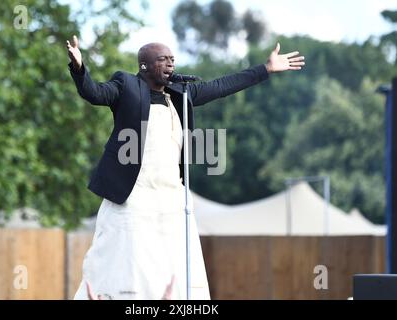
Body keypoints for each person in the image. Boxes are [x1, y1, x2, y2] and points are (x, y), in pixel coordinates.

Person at [66, 35, 305, 300]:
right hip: (134, 195)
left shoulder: (181, 93)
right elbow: (95, 92)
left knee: (173, 261)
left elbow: (221, 85)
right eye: (162, 60)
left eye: (172, 60)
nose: (170, 64)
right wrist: (79, 67)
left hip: (170, 196)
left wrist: (265, 69)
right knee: (128, 259)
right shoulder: (126, 84)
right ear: (144, 66)